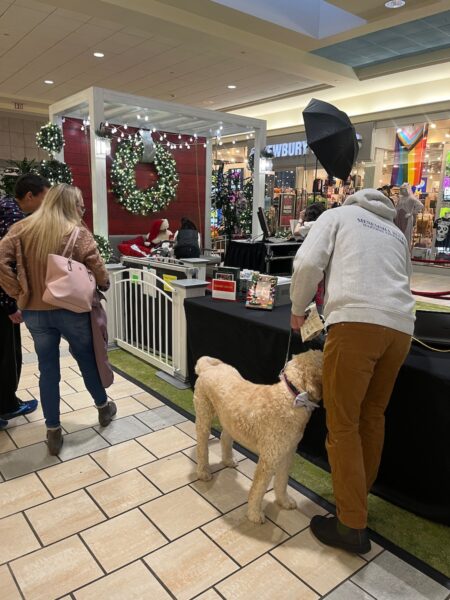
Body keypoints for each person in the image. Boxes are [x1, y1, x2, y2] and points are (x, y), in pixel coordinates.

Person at [290, 188, 414, 554]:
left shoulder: (338, 216)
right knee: (372, 416)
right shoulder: (395, 231)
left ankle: (351, 524)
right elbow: (405, 278)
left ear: (351, 199)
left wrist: (298, 308)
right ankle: (358, 500)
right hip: (402, 328)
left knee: (342, 423)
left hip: (356, 323)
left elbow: (308, 263)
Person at [0, 184, 116, 454]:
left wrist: (18, 292)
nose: (82, 208)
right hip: (73, 309)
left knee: (48, 369)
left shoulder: (20, 229)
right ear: (70, 205)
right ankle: (103, 407)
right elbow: (98, 268)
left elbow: (1, 261)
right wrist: (104, 283)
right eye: (80, 203)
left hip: (35, 312)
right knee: (87, 360)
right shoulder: (77, 232)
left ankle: (53, 430)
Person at [0, 173, 50, 427]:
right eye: (44, 197)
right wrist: (11, 303)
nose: (46, 203)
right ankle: (7, 406)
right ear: (30, 196)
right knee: (8, 355)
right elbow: (4, 263)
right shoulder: (13, 216)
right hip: (3, 302)